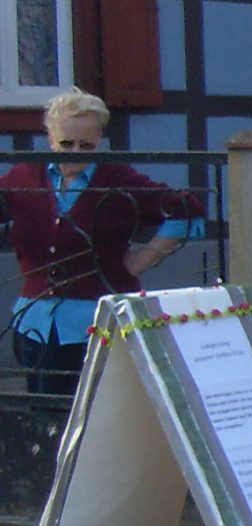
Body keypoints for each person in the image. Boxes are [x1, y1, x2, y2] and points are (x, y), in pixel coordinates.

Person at [3, 91, 205, 397]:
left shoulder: (119, 178)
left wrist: (143, 257)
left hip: (100, 323)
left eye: (87, 145)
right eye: (66, 144)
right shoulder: (23, 176)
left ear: (99, 139)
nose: (75, 153)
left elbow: (188, 211)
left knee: (96, 418)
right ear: (50, 139)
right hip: (35, 323)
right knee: (45, 419)